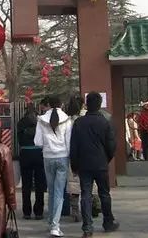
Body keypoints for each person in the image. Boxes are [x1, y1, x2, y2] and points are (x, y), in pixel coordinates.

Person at [70, 92, 119, 237]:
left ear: (86, 104)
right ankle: (108, 222)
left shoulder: (79, 123)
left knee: (86, 195)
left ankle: (87, 227)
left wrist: (74, 165)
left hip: (84, 164)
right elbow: (111, 145)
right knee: (104, 194)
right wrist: (107, 158)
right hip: (101, 163)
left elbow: (74, 146)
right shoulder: (105, 122)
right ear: (99, 105)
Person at [34, 95, 71, 237]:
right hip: (62, 157)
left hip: (47, 157)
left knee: (51, 190)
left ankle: (51, 221)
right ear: (61, 105)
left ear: (48, 105)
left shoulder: (41, 120)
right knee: (59, 192)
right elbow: (68, 142)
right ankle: (55, 226)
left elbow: (37, 142)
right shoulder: (66, 119)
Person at [17, 103, 45, 221]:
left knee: (26, 185)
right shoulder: (41, 122)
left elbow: (19, 140)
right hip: (39, 154)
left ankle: (27, 212)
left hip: (25, 154)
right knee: (40, 185)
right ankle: (39, 212)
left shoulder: (21, 122)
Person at [66, 94, 84, 222]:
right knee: (87, 183)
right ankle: (89, 209)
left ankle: (74, 211)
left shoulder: (66, 121)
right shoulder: (83, 120)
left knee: (72, 183)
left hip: (70, 155)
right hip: (85, 154)